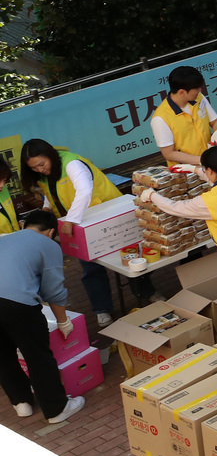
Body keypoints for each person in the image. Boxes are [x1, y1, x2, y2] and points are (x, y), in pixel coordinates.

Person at [21, 138, 153, 327]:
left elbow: (84, 191)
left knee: (130, 257)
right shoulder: (44, 174)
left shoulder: (72, 163)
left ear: (50, 155)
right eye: (34, 168)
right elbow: (53, 191)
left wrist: (71, 220)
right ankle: (102, 309)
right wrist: (47, 206)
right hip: (82, 223)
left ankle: (147, 293)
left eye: (41, 164)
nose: (40, 170)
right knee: (90, 268)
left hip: (107, 215)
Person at [137, 147, 217, 332]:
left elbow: (176, 208)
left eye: (205, 169)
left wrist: (151, 195)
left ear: (210, 171)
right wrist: (193, 169)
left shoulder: (209, 201)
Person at [0, 211, 84, 424]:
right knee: (37, 355)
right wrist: (63, 320)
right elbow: (53, 290)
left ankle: (22, 404)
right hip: (17, 304)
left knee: (2, 355)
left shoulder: (6, 237)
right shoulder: (48, 245)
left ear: (23, 226)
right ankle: (57, 409)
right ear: (51, 232)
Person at [152, 66, 217, 167]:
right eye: (196, 88)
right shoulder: (160, 118)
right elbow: (168, 154)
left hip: (211, 163)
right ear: (182, 92)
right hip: (187, 173)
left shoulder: (199, 98)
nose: (200, 90)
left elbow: (216, 122)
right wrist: (202, 160)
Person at [0, 157, 19, 235]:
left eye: (4, 180)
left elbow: (10, 211)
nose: (2, 185)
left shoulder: (3, 190)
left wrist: (21, 221)